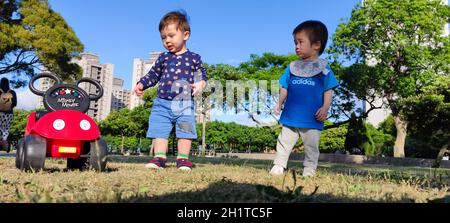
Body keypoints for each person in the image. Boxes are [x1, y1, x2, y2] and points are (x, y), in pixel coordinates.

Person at [133, 11, 207, 171]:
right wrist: (141, 84)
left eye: (171, 36)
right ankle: (159, 158)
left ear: (185, 35)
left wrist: (200, 83)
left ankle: (183, 159)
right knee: (159, 130)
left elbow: (201, 75)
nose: (167, 40)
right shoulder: (163, 58)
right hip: (162, 103)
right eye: (163, 37)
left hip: (184, 103)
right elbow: (153, 75)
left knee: (185, 131)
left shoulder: (194, 58)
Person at [270, 20, 339, 177]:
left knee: (311, 146)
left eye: (300, 42)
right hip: (291, 115)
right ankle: (279, 165)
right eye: (295, 42)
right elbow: (284, 86)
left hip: (312, 117)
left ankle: (309, 169)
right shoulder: (292, 67)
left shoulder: (324, 70)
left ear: (316, 45)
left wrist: (325, 108)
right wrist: (279, 103)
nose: (296, 46)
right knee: (284, 141)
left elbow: (328, 90)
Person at [0, 77, 17, 151]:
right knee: (5, 129)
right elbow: (15, 103)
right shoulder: (12, 92)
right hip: (9, 114)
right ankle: (5, 143)